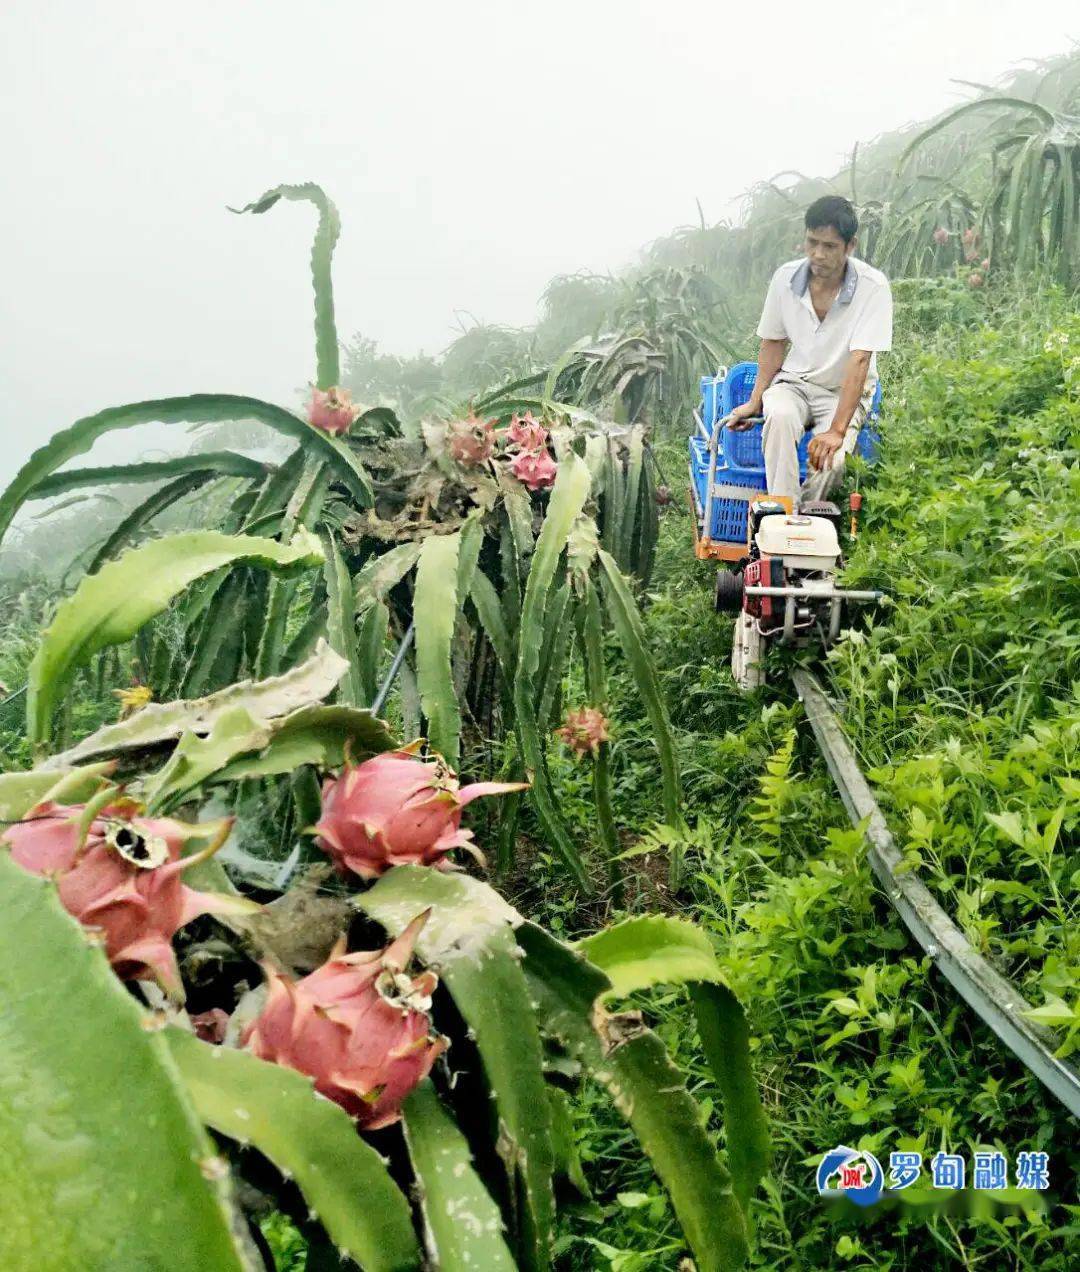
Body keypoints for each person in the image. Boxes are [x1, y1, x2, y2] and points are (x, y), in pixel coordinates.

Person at [727, 195, 893, 503]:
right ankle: (782, 515)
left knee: (834, 460)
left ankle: (803, 517)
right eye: (812, 242)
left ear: (850, 245)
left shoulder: (873, 287)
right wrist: (755, 400)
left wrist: (836, 431)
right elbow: (774, 343)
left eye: (829, 246)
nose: (818, 254)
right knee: (777, 418)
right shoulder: (785, 279)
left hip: (840, 393)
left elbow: (860, 361)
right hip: (793, 385)